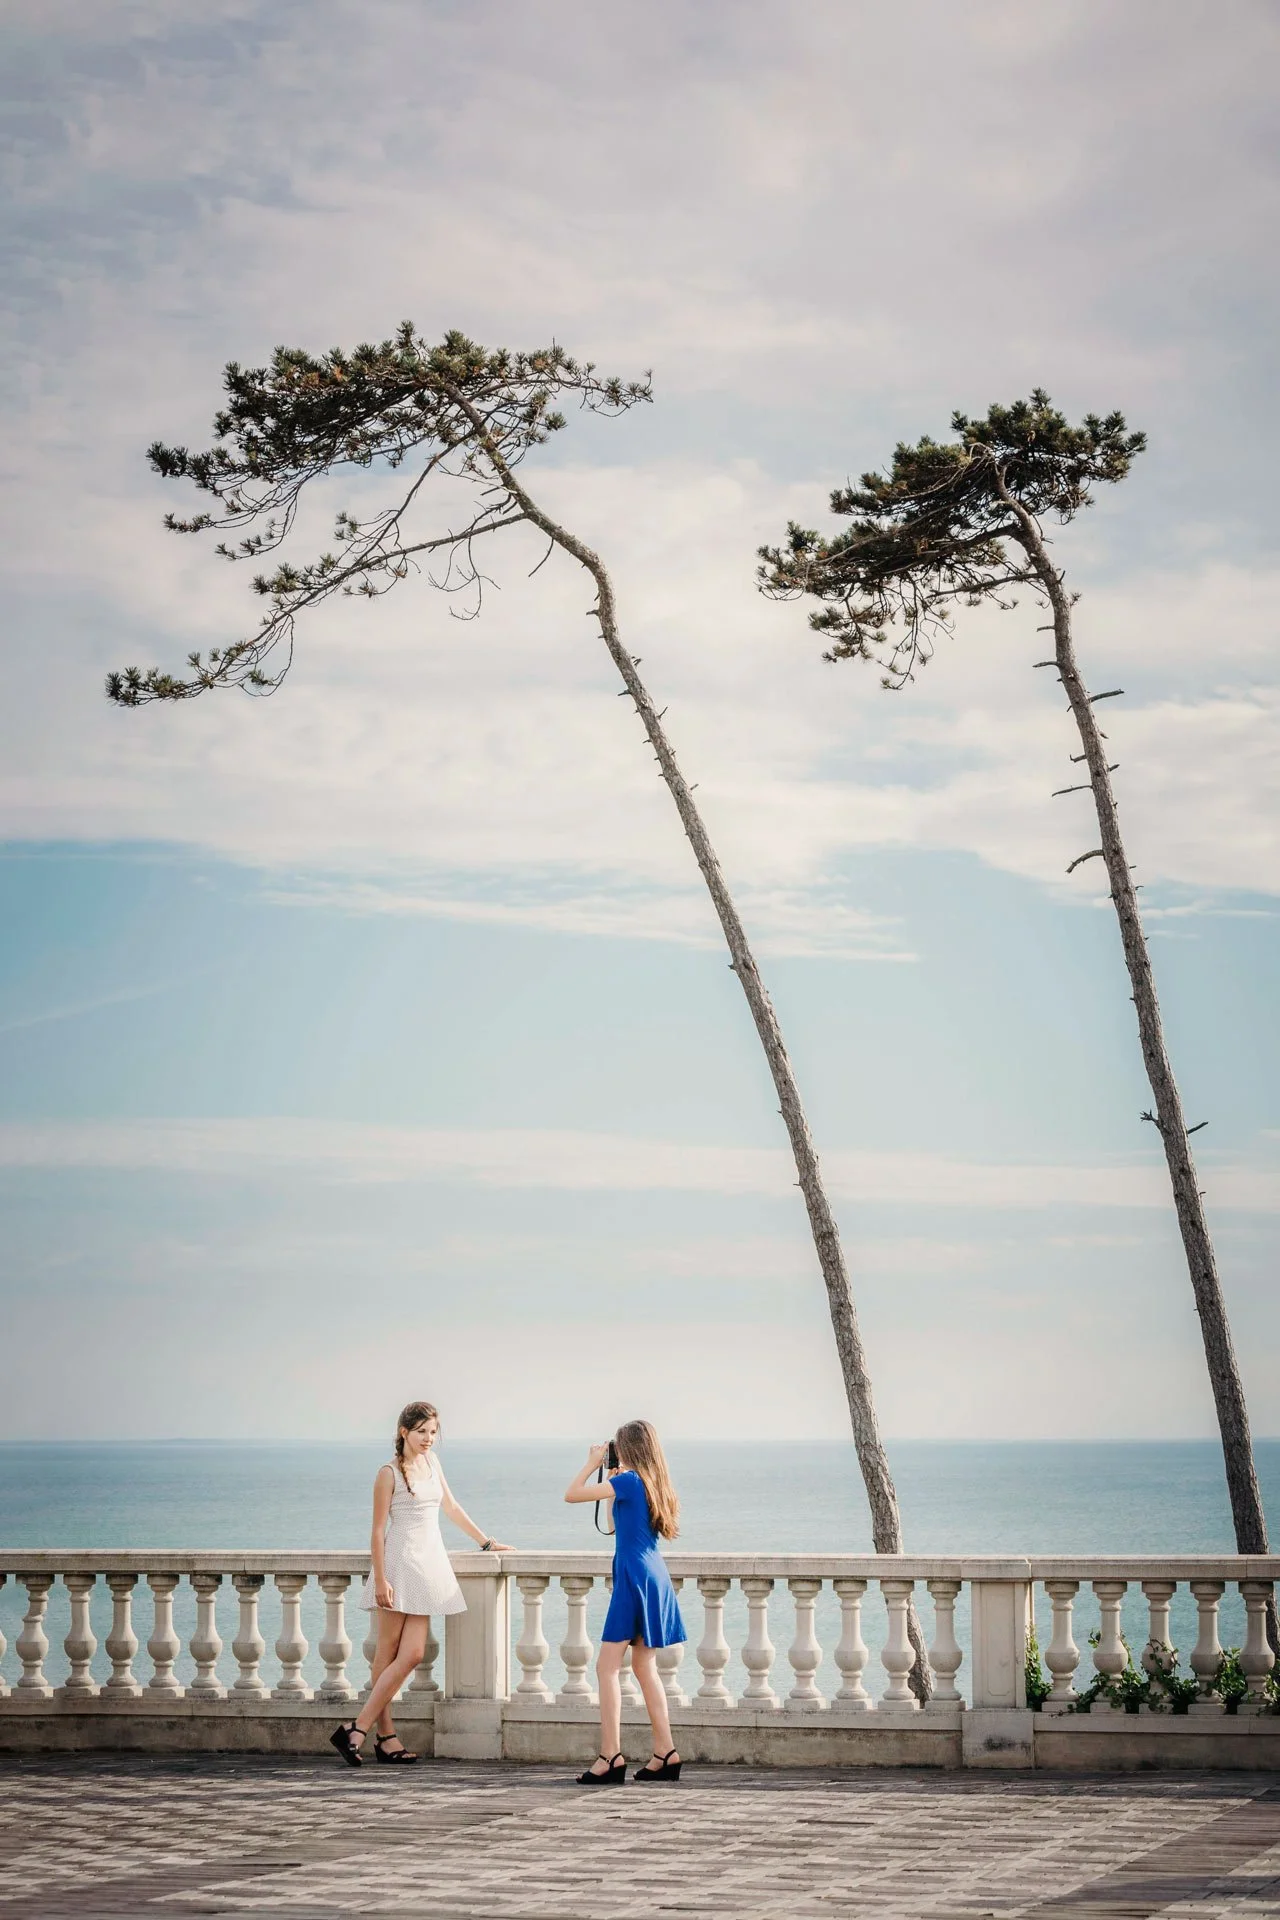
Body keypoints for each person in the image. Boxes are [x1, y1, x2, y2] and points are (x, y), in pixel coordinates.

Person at [330, 1399, 512, 1766]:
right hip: (398, 1564)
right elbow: (378, 1531)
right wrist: (380, 1579)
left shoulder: (432, 1463)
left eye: (433, 1432)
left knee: (412, 1654)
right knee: (386, 1653)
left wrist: (487, 1542)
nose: (428, 1439)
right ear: (403, 1432)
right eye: (421, 1432)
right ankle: (383, 1737)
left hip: (428, 1566)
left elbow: (452, 1508)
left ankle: (357, 1729)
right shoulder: (388, 1473)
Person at [563, 1419, 686, 1785]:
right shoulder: (651, 1483)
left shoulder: (629, 1481)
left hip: (633, 1574)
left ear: (626, 1447)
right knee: (644, 1667)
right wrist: (613, 1483)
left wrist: (592, 1463)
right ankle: (666, 1752)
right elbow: (618, 1528)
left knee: (606, 1667)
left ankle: (610, 1756)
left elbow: (571, 1494)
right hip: (652, 1573)